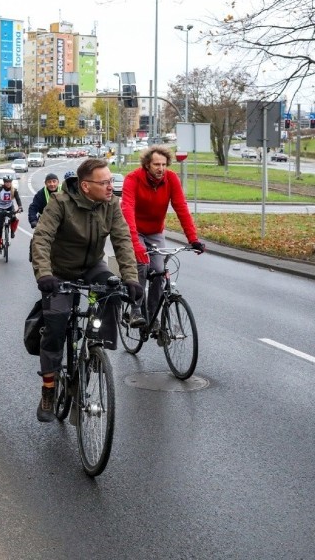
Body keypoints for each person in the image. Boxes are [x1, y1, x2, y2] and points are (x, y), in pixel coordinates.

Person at [30, 159, 143, 422]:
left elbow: (122, 240)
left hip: (92, 266)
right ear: (85, 186)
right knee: (56, 324)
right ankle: (49, 388)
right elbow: (42, 238)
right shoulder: (60, 202)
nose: (110, 187)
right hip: (59, 271)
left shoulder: (110, 204)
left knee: (112, 290)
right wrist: (45, 275)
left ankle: (94, 352)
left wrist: (131, 278)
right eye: (104, 182)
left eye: (111, 181)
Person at [120, 145, 205, 329]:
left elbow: (181, 208)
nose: (161, 168)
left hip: (155, 232)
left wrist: (193, 239)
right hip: (134, 230)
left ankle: (152, 315)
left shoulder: (171, 179)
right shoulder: (133, 179)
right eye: (156, 164)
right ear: (147, 165)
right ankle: (135, 310)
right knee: (141, 265)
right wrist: (136, 244)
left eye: (164, 164)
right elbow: (127, 210)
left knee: (159, 270)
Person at [0, 176, 22, 255]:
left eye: (9, 182)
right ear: (4, 182)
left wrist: (20, 207)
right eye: (6, 182)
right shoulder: (0, 190)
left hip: (10, 207)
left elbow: (18, 199)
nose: (8, 183)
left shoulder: (13, 190)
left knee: (14, 219)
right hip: (0, 208)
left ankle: (12, 232)